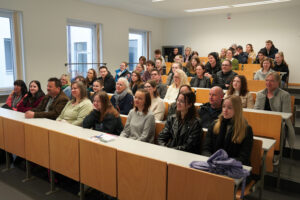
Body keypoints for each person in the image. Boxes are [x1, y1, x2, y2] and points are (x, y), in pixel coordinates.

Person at [202, 95, 254, 165]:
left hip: (232, 167)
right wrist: (212, 160)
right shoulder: (214, 124)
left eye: (229, 108)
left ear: (237, 110)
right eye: (223, 107)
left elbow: (243, 158)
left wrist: (223, 162)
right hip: (213, 163)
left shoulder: (246, 129)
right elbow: (206, 149)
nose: (225, 110)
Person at [254, 72, 295, 148]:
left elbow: (286, 115)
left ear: (278, 82)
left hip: (278, 123)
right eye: (267, 80)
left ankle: (275, 152)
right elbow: (256, 111)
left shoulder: (285, 95)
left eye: (272, 81)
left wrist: (271, 121)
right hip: (262, 121)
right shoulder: (260, 94)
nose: (268, 83)